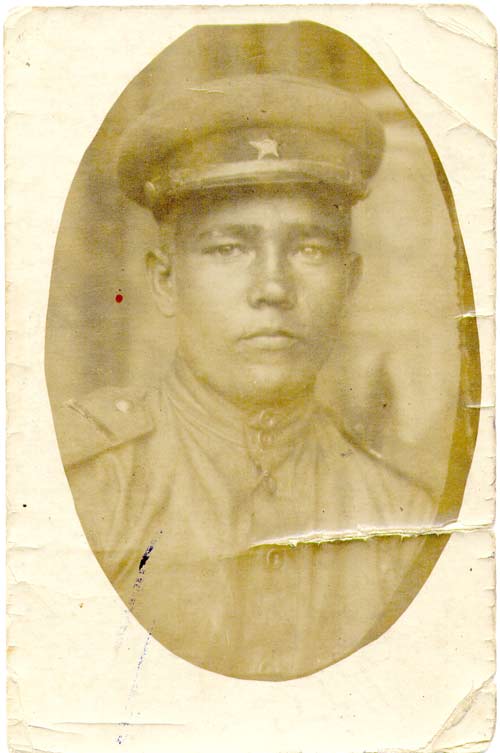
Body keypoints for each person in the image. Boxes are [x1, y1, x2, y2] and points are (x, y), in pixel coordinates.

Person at [55, 22, 438, 681]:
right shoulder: (89, 485)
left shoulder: (401, 518)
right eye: (229, 248)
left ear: (350, 280)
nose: (272, 288)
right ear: (165, 280)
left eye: (309, 248)